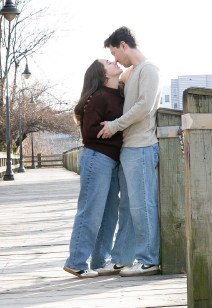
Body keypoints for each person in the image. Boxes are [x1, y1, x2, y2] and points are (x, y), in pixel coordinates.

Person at [96, 25, 162, 276]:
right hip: (128, 149)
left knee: (143, 205)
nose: (115, 60)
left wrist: (114, 125)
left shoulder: (150, 70)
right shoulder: (133, 73)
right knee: (128, 207)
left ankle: (150, 260)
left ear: (124, 45)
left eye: (115, 53)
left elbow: (144, 106)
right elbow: (118, 83)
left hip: (143, 147)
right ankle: (123, 259)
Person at [63, 58, 125, 279]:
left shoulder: (119, 93)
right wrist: (117, 127)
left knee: (109, 213)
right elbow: (89, 131)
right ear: (102, 74)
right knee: (91, 211)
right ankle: (76, 262)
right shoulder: (99, 97)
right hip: (96, 159)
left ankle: (100, 260)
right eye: (108, 62)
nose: (114, 61)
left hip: (112, 161)